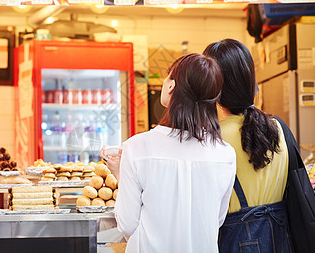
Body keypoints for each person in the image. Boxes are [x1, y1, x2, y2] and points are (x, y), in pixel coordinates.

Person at [102, 53, 236, 252]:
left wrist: (120, 174)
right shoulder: (225, 154)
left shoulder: (137, 147)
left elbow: (128, 224)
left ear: (171, 86)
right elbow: (216, 220)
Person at [203, 39, 292, 252]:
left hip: (237, 239)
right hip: (281, 238)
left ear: (213, 86)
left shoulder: (213, 140)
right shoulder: (277, 128)